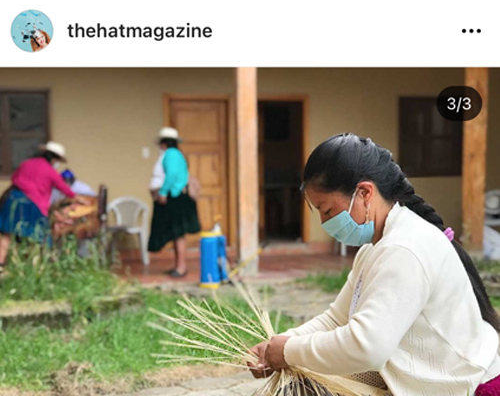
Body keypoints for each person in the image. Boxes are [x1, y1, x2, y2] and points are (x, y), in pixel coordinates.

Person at [249, 134, 500, 395]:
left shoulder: (405, 248)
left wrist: (288, 352)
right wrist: (278, 345)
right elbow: (337, 318)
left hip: (468, 388)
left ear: (365, 193)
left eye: (328, 211)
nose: (325, 223)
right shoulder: (375, 247)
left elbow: (367, 347)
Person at [0, 142, 86, 273]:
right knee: (39, 237)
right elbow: (62, 187)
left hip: (13, 200)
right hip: (32, 204)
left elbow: (14, 178)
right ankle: (36, 269)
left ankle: (1, 265)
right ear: (53, 158)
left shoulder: (26, 163)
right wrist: (77, 198)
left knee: (7, 235)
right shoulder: (49, 170)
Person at [148, 127, 200, 277]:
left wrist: (163, 193)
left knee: (178, 233)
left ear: (164, 143)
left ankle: (181, 267)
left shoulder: (171, 154)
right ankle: (178, 265)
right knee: (176, 233)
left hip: (175, 197)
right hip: (175, 196)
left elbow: (170, 176)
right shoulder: (174, 154)